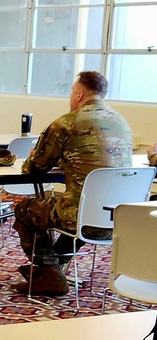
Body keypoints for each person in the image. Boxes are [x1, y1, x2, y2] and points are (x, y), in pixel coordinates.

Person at [14, 70, 133, 296]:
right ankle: (53, 267)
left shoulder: (67, 123)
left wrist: (37, 155)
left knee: (25, 209)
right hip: (118, 218)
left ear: (79, 94)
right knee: (81, 210)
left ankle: (49, 272)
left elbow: (34, 168)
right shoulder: (121, 122)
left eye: (71, 92)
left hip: (82, 217)